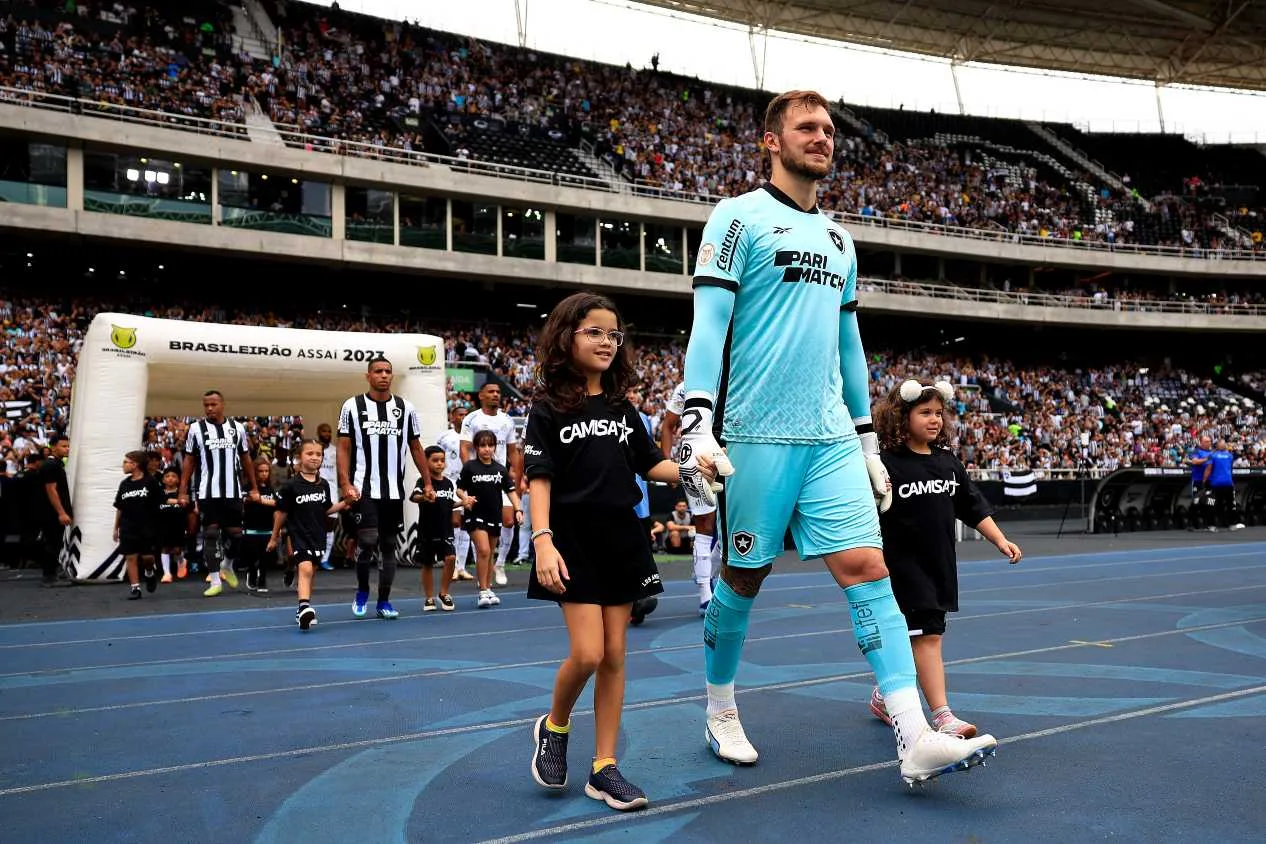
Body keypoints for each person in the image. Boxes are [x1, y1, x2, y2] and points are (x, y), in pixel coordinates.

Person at [679, 89, 998, 784]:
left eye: (828, 129)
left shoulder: (839, 240)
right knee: (743, 577)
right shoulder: (737, 218)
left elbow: (850, 345)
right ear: (772, 140)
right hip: (755, 434)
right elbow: (709, 325)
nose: (822, 138)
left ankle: (914, 733)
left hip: (828, 437)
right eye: (807, 128)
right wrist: (696, 416)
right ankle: (721, 708)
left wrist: (865, 438)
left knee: (869, 571)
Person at [525, 291, 711, 812]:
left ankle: (603, 768)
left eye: (613, 334)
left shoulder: (623, 409)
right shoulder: (546, 409)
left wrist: (701, 469)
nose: (607, 342)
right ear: (566, 337)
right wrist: (543, 541)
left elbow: (654, 466)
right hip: (571, 542)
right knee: (587, 653)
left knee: (614, 657)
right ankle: (554, 725)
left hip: (622, 540)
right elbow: (539, 480)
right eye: (594, 332)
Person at [869, 380, 1023, 739]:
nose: (934, 419)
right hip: (901, 568)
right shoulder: (884, 464)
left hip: (938, 566)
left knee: (913, 638)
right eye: (924, 412)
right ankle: (942, 715)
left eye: (939, 413)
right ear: (901, 416)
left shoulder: (948, 462)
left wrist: (1000, 539)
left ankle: (883, 695)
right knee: (928, 637)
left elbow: (971, 505)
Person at [337, 357, 435, 620]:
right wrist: (345, 483)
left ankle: (383, 601)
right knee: (368, 541)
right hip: (363, 489)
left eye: (388, 371)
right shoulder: (352, 406)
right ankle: (361, 591)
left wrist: (427, 482)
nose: (383, 375)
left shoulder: (406, 408)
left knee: (389, 545)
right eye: (378, 371)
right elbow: (344, 447)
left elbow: (416, 447)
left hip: (393, 491)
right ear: (368, 376)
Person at [179, 391, 260, 597]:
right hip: (207, 491)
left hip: (233, 491)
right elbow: (189, 460)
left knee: (236, 535)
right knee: (211, 534)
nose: (209, 408)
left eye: (213, 404)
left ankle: (228, 565)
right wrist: (183, 491)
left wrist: (254, 487)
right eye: (206, 405)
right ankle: (215, 581)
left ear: (223, 405)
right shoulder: (196, 429)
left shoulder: (237, 428)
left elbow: (246, 458)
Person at [270, 439, 348, 630]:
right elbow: (281, 513)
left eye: (318, 454)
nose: (314, 457)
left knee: (310, 573)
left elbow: (328, 509)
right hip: (298, 535)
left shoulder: (324, 485)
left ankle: (303, 609)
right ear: (299, 457)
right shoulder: (291, 486)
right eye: (309, 453)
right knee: (304, 569)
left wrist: (347, 502)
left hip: (317, 535)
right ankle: (304, 606)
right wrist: (274, 536)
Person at [661, 381, 719, 614]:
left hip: (728, 455)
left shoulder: (734, 376)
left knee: (729, 530)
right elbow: (668, 426)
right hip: (695, 458)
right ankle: (705, 593)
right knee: (704, 523)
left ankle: (705, 572)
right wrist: (667, 462)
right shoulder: (684, 387)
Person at [460, 383, 522, 587]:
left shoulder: (507, 420)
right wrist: (471, 473)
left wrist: (517, 479)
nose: (496, 395)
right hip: (479, 480)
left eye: (498, 392)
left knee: (509, 521)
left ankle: (500, 563)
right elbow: (465, 448)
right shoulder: (472, 418)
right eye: (491, 392)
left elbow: (514, 452)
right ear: (481, 395)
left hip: (500, 478)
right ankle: (484, 574)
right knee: (481, 530)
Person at [458, 430, 522, 608]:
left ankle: (488, 587)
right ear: (476, 448)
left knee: (490, 553)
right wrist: (465, 499)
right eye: (482, 446)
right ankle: (483, 590)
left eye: (490, 445)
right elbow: (460, 489)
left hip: (494, 515)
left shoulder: (500, 469)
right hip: (475, 515)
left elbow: (511, 492)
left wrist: (518, 509)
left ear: (495, 447)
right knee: (483, 550)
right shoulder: (470, 467)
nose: (486, 449)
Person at [411, 445, 465, 612]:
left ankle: (444, 592)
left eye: (442, 460)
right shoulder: (423, 481)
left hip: (445, 529)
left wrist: (463, 502)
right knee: (427, 564)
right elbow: (414, 497)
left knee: (450, 558)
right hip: (427, 530)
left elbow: (449, 504)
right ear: (426, 462)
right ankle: (429, 598)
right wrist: (424, 497)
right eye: (435, 460)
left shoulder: (449, 483)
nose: (440, 464)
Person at [113, 450, 163, 599]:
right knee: (131, 557)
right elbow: (119, 507)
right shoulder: (124, 484)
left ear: (135, 465)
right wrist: (116, 528)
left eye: (125, 462)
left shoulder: (150, 481)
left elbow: (161, 500)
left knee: (148, 558)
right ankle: (135, 588)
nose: (123, 465)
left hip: (147, 525)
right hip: (128, 525)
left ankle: (149, 572)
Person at [439, 406, 475, 581]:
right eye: (460, 415)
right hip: (450, 483)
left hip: (468, 484)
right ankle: (451, 566)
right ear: (452, 417)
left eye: (466, 415)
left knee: (467, 525)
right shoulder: (444, 437)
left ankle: (461, 567)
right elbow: (436, 459)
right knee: (454, 523)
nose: (463, 417)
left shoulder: (474, 436)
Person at [36, 433, 73, 587]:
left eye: (68, 445)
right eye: (63, 446)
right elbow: (51, 490)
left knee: (55, 542)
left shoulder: (56, 464)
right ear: (53, 447)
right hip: (51, 513)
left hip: (53, 512)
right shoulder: (50, 466)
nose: (67, 449)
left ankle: (51, 574)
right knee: (52, 542)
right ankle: (49, 577)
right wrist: (61, 512)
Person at [241, 458, 278, 593]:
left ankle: (262, 581)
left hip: (267, 528)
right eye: (260, 471)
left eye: (266, 471)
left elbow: (276, 504)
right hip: (251, 528)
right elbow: (244, 500)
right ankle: (251, 574)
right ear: (254, 473)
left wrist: (260, 500)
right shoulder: (247, 488)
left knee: (264, 558)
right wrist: (250, 499)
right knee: (252, 557)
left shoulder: (270, 489)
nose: (264, 474)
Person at [156, 465, 188, 581]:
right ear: (163, 479)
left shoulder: (182, 493)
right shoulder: (159, 493)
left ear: (178, 479)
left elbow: (187, 503)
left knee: (176, 550)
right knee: (164, 548)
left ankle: (181, 560)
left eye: (173, 476)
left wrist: (181, 501)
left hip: (178, 525)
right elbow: (161, 500)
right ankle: (167, 573)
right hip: (163, 525)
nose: (170, 478)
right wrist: (178, 502)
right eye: (167, 476)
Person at [1204, 439, 1243, 531]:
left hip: (1215, 484)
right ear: (1224, 446)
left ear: (1217, 446)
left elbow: (1208, 469)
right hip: (1228, 483)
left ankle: (1212, 525)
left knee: (1211, 504)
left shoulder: (1212, 456)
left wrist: (1204, 480)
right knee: (1230, 505)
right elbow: (1229, 469)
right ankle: (1232, 525)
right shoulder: (1230, 456)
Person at [315, 423, 339, 570]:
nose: (327, 433)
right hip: (315, 490)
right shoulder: (313, 451)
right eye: (324, 431)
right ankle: (314, 557)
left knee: (329, 525)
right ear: (318, 433)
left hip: (332, 491)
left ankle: (325, 559)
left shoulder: (336, 451)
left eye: (329, 431)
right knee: (315, 525)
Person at [1186, 434, 1214, 530]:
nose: (1209, 443)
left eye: (1209, 441)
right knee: (1196, 502)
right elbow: (1194, 462)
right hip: (1198, 480)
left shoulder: (1212, 452)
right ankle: (1191, 524)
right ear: (1201, 442)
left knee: (1210, 503)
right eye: (1206, 441)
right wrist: (1207, 459)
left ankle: (1209, 524)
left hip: (1210, 481)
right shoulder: (1196, 451)